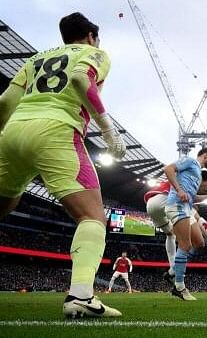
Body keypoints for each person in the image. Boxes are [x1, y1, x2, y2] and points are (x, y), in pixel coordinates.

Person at [0, 12, 124, 318]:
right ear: (92, 36)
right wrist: (109, 130)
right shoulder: (93, 52)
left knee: (4, 202)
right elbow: (82, 79)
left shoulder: (35, 60)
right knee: (92, 215)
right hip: (56, 131)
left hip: (13, 131)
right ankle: (81, 296)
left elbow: (4, 103)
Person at [144, 169, 207, 283]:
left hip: (152, 205)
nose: (205, 188)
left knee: (170, 235)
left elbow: (192, 197)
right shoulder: (192, 179)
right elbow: (195, 198)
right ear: (202, 180)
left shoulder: (184, 179)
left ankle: (173, 271)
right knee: (196, 218)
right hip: (166, 199)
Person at [163, 148, 207, 301]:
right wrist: (179, 190)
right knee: (185, 246)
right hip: (177, 205)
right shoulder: (190, 161)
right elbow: (168, 169)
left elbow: (193, 197)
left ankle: (174, 271)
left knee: (199, 243)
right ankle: (179, 287)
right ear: (205, 155)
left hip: (186, 208)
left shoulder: (198, 174)